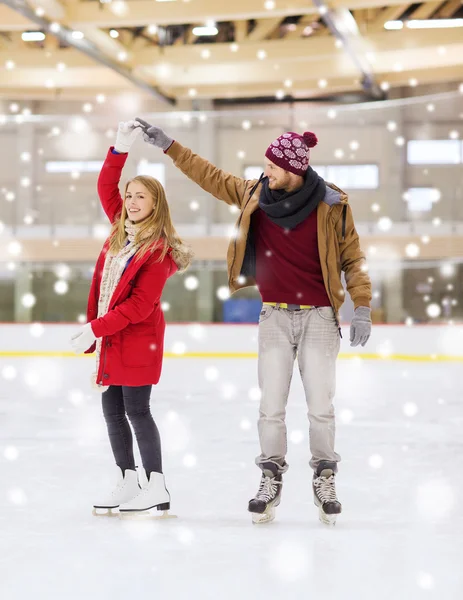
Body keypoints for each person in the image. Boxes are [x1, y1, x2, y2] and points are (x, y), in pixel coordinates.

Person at [136, 118, 372, 526]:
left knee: (320, 408)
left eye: (274, 167)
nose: (266, 172)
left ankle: (325, 475)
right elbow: (208, 175)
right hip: (274, 317)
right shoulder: (254, 195)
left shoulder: (332, 206)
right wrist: (170, 146)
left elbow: (353, 259)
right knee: (270, 408)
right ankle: (270, 476)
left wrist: (363, 305)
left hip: (318, 317)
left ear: (294, 171)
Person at [71, 120, 192, 517]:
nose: (132, 201)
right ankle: (127, 480)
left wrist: (93, 328)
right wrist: (119, 148)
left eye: (141, 196)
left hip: (137, 339)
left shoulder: (156, 251)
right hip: (112, 341)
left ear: (156, 203)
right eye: (129, 195)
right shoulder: (119, 233)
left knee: (137, 411)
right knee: (111, 412)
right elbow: (106, 186)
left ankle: (156, 484)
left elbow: (139, 306)